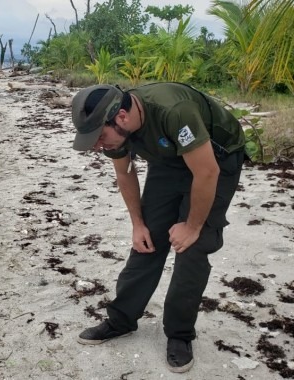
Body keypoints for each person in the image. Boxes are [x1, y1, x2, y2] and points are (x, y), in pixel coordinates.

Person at [70, 83, 245, 373]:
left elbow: (206, 171)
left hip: (217, 157)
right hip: (167, 159)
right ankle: (121, 320)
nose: (97, 146)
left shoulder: (175, 112)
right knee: (147, 239)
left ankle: (179, 334)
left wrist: (191, 225)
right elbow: (125, 174)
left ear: (122, 117)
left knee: (193, 246)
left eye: (100, 137)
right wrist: (138, 224)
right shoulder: (117, 132)